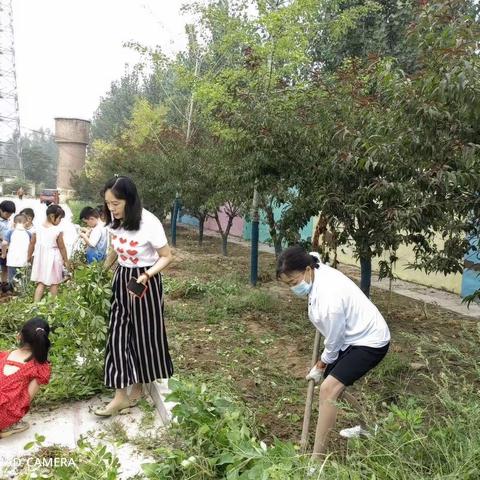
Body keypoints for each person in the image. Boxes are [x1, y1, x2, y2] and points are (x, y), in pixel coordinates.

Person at [276, 245, 390, 459]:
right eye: (288, 284)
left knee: (328, 389)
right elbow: (316, 254)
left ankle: (316, 461)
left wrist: (321, 365)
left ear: (308, 270)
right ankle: (368, 426)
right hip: (352, 336)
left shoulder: (329, 297)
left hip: (370, 341)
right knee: (337, 387)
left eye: (294, 282)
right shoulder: (315, 266)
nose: (293, 288)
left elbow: (334, 340)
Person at [95, 176, 174, 417]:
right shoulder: (113, 221)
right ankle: (120, 395)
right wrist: (100, 273)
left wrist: (148, 274)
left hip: (143, 283)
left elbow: (166, 256)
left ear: (129, 200)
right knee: (116, 333)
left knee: (143, 335)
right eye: (108, 203)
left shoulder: (149, 222)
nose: (111, 208)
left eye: (116, 203)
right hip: (122, 278)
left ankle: (138, 385)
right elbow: (114, 251)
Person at [0, 317, 51, 438]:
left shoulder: (5, 355)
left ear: (19, 336)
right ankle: (8, 425)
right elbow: (26, 399)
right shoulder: (39, 367)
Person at [28, 205, 69, 302]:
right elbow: (62, 247)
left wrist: (29, 256)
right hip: (53, 258)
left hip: (40, 258)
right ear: (52, 216)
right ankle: (53, 305)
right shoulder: (57, 230)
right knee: (54, 282)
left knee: (41, 282)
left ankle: (35, 304)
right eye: (59, 218)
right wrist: (66, 260)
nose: (60, 221)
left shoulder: (37, 228)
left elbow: (32, 243)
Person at [2, 214, 32, 293]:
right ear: (26, 223)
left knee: (13, 280)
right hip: (24, 261)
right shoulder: (29, 234)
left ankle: (14, 294)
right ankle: (22, 294)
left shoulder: (10, 232)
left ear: (14, 223)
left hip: (12, 261)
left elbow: (4, 243)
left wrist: (4, 254)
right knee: (24, 280)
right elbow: (32, 246)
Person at [0, 200, 16, 293]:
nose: (8, 215)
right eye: (7, 213)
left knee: (5, 266)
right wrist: (4, 238)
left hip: (7, 248)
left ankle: (4, 285)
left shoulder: (9, 221)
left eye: (10, 214)